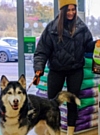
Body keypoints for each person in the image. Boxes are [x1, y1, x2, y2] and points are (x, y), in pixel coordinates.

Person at [33, 0, 95, 134]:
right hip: (56, 70)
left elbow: (89, 46)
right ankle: (54, 131)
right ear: (62, 10)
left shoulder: (82, 28)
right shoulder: (51, 28)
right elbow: (42, 51)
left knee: (72, 102)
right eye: (68, 10)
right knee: (52, 104)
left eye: (74, 9)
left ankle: (70, 132)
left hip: (75, 70)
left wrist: (99, 45)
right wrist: (39, 69)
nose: (71, 13)